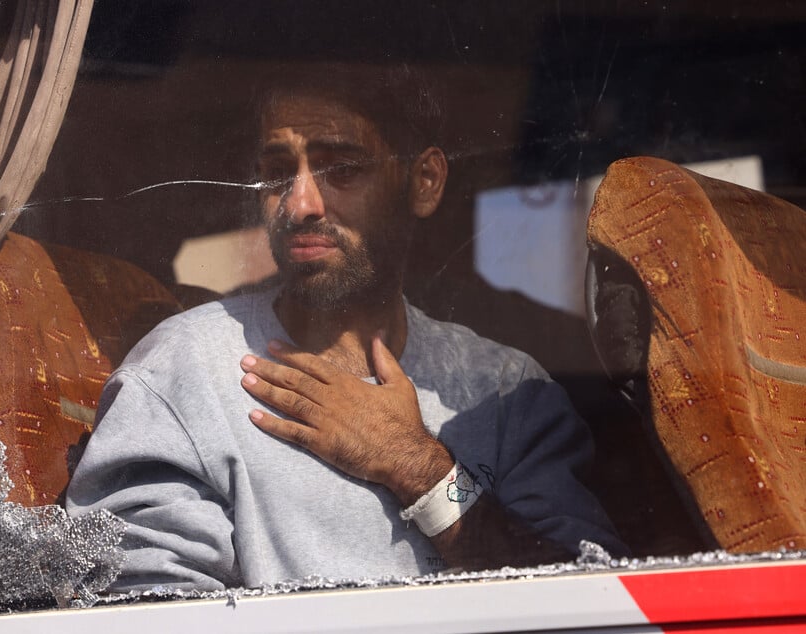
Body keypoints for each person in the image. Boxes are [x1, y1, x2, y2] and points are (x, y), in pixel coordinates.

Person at [66, 65, 625, 592]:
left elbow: (588, 599)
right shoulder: (181, 376)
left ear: (425, 181)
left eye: (343, 169)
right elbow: (145, 611)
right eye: (279, 171)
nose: (301, 203)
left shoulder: (504, 393)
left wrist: (422, 470)